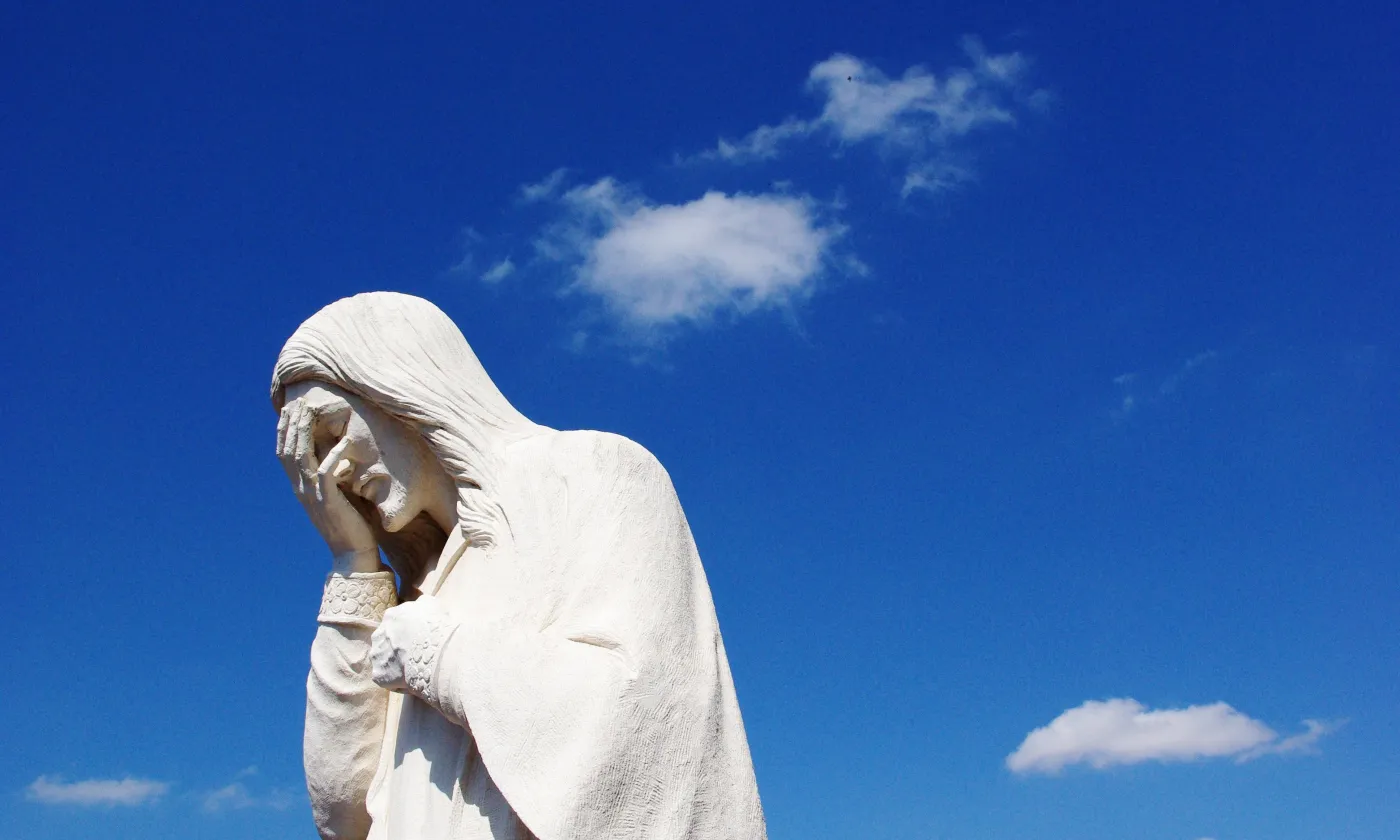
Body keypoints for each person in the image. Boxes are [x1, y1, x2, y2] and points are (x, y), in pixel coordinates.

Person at [271, 292, 766, 840]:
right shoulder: (421, 592)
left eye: (334, 429)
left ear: (397, 391)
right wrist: (354, 565)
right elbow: (342, 815)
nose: (331, 474)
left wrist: (442, 656)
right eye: (310, 457)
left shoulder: (592, 472)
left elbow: (652, 720)